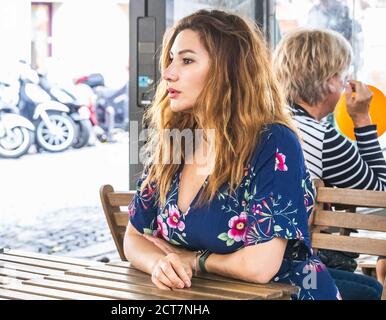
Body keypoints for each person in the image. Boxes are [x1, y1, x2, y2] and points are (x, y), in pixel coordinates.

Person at [124, 9, 341, 300]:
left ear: (228, 71)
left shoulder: (273, 142)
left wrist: (193, 260)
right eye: (171, 59)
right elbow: (135, 237)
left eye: (186, 60)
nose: (168, 73)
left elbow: (259, 267)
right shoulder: (176, 142)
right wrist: (160, 263)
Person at [273, 28, 385, 299]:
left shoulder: (263, 119)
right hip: (283, 265)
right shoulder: (322, 138)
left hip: (250, 253)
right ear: (330, 81)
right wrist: (361, 119)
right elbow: (380, 193)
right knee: (370, 289)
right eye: (343, 74)